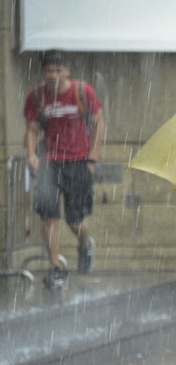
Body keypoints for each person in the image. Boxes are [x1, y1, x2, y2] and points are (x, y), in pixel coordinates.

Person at [23, 49, 105, 289]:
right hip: (50, 160)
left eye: (59, 70)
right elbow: (31, 128)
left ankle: (85, 244)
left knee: (75, 219)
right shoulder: (37, 96)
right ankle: (56, 267)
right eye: (49, 70)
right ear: (43, 72)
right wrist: (30, 153)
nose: (54, 75)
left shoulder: (82, 91)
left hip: (79, 160)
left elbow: (99, 122)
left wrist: (92, 158)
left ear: (68, 71)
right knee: (48, 215)